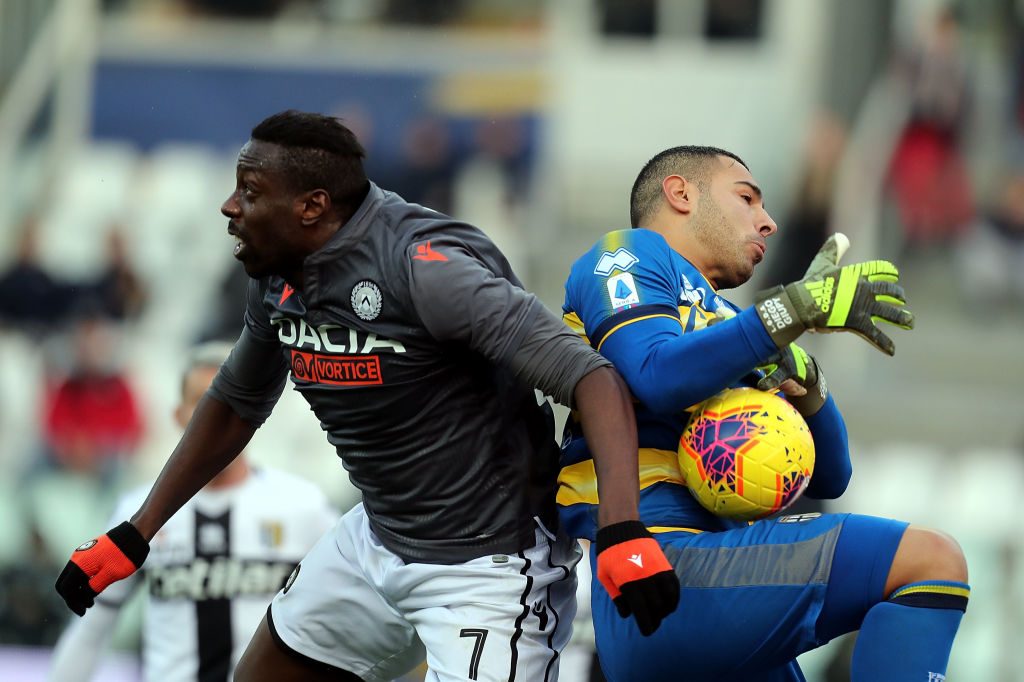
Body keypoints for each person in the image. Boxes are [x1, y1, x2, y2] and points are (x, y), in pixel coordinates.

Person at [55, 110, 679, 682]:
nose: (230, 206)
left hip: (487, 564)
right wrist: (136, 533)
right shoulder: (275, 272)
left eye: (250, 191)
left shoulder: (425, 270)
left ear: (312, 206)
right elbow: (238, 400)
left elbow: (592, 378)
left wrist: (623, 527)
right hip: (375, 538)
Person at [558, 145, 970, 681]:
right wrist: (784, 314)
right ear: (680, 194)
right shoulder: (627, 253)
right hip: (658, 566)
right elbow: (656, 374)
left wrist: (808, 378)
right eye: (747, 198)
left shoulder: (733, 325)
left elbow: (831, 475)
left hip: (716, 574)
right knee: (931, 560)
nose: (768, 221)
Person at [48, 341, 336, 681]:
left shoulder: (303, 507)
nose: (215, 415)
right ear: (178, 416)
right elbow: (90, 630)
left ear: (253, 411)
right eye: (202, 402)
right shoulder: (137, 515)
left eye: (228, 403)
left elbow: (344, 613)